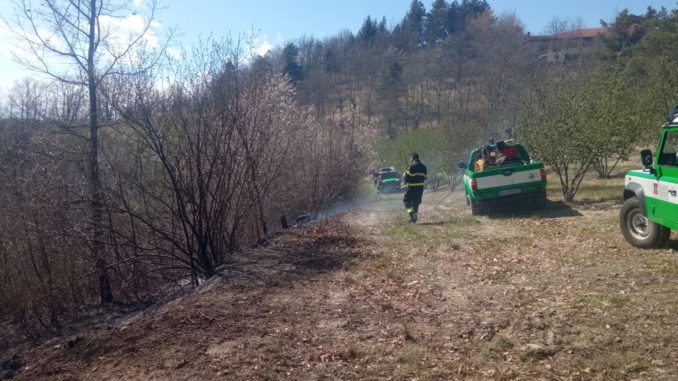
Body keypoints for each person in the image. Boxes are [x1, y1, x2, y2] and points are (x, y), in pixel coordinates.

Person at [403, 153, 427, 223]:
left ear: (413, 158)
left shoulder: (411, 166)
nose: (410, 160)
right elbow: (425, 177)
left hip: (412, 187)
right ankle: (415, 215)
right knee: (416, 202)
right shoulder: (424, 167)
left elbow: (406, 177)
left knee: (406, 201)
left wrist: (405, 181)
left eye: (410, 158)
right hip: (420, 188)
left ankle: (411, 214)